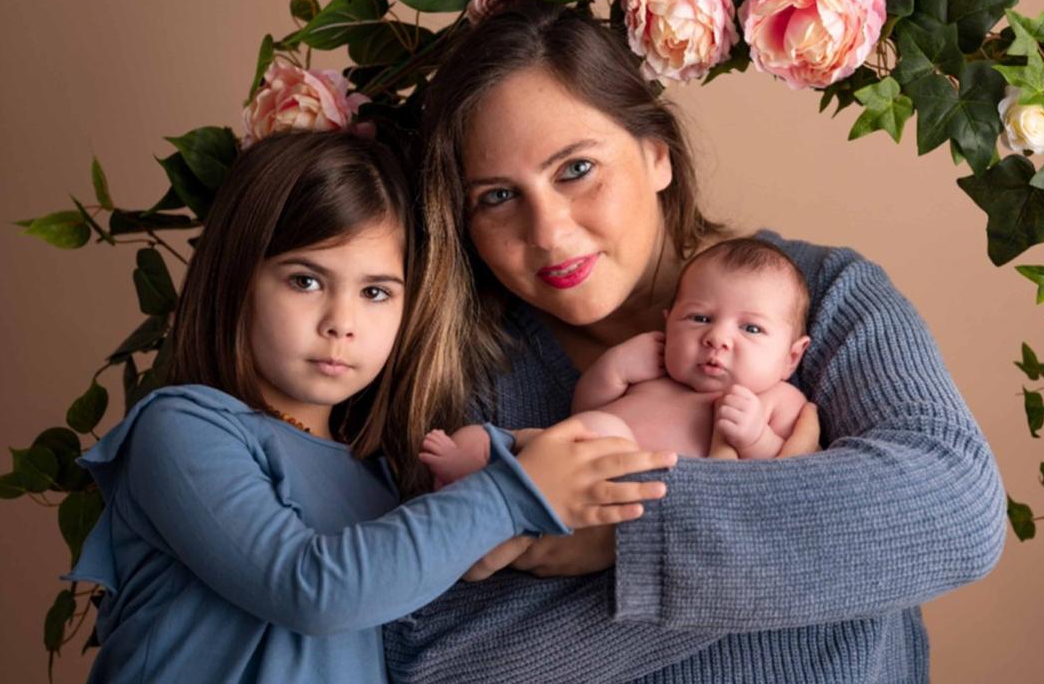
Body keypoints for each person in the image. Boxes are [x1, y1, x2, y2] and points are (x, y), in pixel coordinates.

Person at [382, 0, 1006, 683]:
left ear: (657, 154)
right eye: (498, 197)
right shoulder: (462, 373)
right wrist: (782, 513)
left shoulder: (823, 296)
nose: (549, 231)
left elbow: (955, 512)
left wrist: (623, 536)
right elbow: (434, 662)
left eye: (576, 169)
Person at [64, 130, 678, 684]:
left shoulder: (379, 482)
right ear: (235, 279)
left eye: (376, 292)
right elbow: (310, 588)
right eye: (305, 280)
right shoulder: (183, 430)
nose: (342, 324)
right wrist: (516, 491)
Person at [419, 237, 817, 484]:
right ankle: (476, 479)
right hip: (561, 454)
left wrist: (755, 438)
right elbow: (585, 408)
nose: (717, 337)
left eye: (751, 329)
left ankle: (497, 494)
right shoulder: (657, 375)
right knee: (477, 437)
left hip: (618, 492)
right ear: (670, 323)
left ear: (791, 356)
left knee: (602, 430)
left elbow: (788, 469)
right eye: (699, 319)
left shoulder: (777, 399)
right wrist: (615, 367)